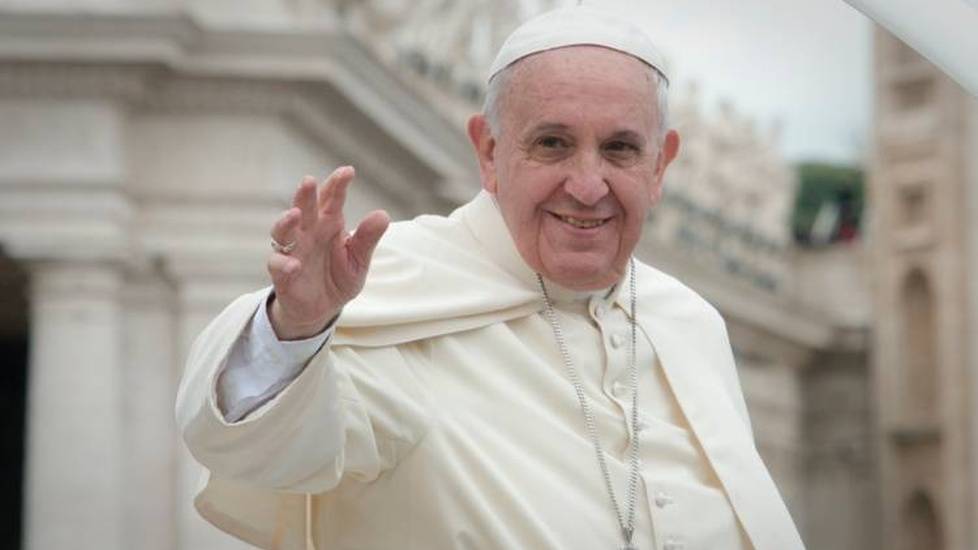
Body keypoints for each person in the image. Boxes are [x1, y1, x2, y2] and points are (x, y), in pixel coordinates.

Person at [176, 5, 804, 550]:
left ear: (661, 164)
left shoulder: (690, 324)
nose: (588, 187)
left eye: (620, 149)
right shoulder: (393, 291)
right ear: (488, 152)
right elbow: (255, 447)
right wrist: (296, 327)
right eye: (553, 144)